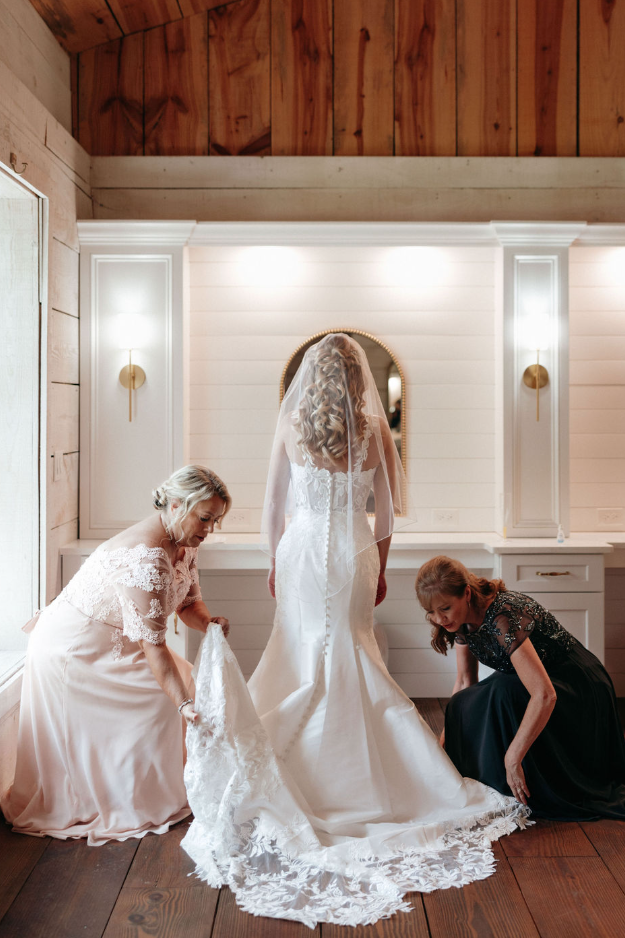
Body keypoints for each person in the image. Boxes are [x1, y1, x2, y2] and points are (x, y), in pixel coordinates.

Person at [181, 335, 528, 928]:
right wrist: (380, 565)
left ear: (310, 378)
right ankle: (383, 779)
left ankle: (288, 770)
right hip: (352, 551)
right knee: (351, 653)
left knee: (296, 650)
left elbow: (272, 506)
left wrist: (274, 560)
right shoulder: (372, 431)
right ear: (358, 378)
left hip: (300, 555)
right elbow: (386, 512)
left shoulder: (291, 423)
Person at [2, 465, 231, 845]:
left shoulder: (185, 542)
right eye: (204, 518)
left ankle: (160, 787)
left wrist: (207, 622)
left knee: (187, 681)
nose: (208, 529)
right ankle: (127, 798)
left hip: (117, 640)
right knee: (165, 700)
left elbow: (188, 600)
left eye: (215, 520)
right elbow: (154, 647)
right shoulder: (147, 558)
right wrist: (183, 705)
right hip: (74, 651)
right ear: (176, 505)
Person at [415, 555, 625, 821]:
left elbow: (545, 694)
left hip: (577, 686)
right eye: (431, 613)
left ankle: (524, 778)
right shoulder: (460, 620)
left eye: (445, 609)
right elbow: (464, 683)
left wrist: (513, 757)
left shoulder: (503, 614)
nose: (439, 619)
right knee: (467, 700)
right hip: (537, 682)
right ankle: (485, 780)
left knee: (502, 692)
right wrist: (445, 747)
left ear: (466, 594)